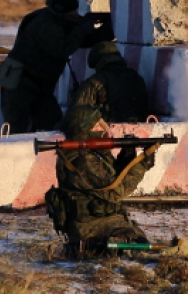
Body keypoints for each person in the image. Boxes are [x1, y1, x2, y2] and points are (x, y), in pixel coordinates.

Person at [45, 104, 156, 258]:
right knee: (136, 245)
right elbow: (115, 192)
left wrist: (127, 157)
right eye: (97, 125)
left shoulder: (91, 153)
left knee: (137, 240)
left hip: (103, 220)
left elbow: (111, 178)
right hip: (90, 228)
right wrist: (142, 164)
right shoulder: (80, 159)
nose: (104, 129)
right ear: (85, 130)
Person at [0, 0, 99, 134]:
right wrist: (82, 30)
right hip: (20, 85)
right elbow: (62, 48)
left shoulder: (53, 19)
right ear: (62, 13)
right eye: (72, 13)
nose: (75, 15)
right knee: (18, 131)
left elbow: (72, 38)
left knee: (54, 126)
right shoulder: (44, 24)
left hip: (38, 86)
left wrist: (90, 28)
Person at [71, 41, 149, 123]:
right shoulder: (136, 78)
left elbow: (76, 118)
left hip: (107, 133)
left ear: (98, 62)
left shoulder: (96, 81)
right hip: (138, 131)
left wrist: (77, 96)